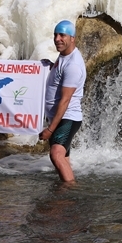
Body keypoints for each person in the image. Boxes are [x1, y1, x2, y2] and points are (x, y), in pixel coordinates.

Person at [39, 20, 86, 182]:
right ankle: (68, 197)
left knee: (56, 154)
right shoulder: (65, 56)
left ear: (72, 38)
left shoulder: (73, 65)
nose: (57, 39)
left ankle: (70, 192)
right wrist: (51, 67)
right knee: (63, 157)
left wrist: (50, 130)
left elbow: (65, 101)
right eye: (55, 35)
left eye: (62, 35)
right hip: (60, 117)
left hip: (68, 117)